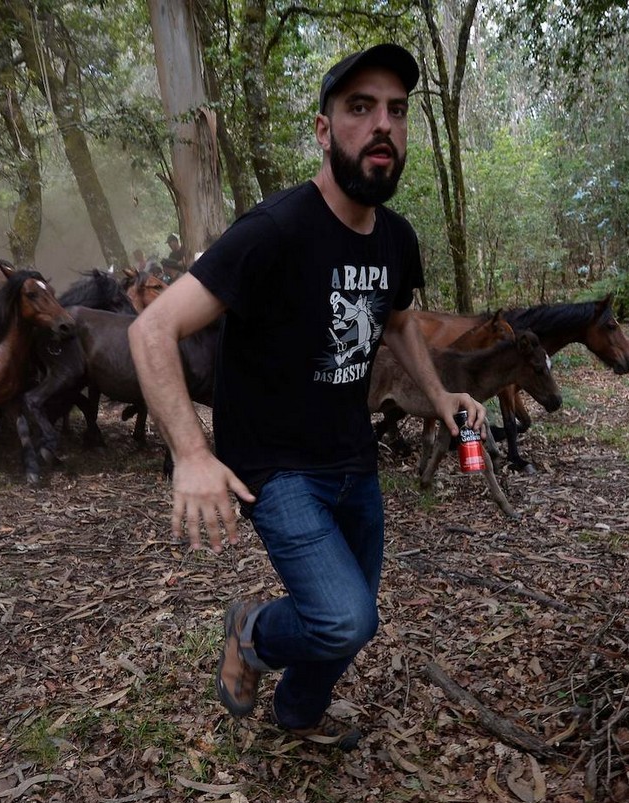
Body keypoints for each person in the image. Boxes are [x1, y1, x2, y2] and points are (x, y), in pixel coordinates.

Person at [129, 43, 487, 751]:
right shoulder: (273, 231)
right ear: (325, 132)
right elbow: (151, 329)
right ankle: (252, 632)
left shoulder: (396, 238)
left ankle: (297, 716)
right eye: (359, 109)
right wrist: (191, 454)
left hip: (352, 456)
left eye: (395, 111)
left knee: (359, 615)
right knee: (342, 619)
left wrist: (443, 395)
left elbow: (396, 321)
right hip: (275, 465)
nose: (381, 125)